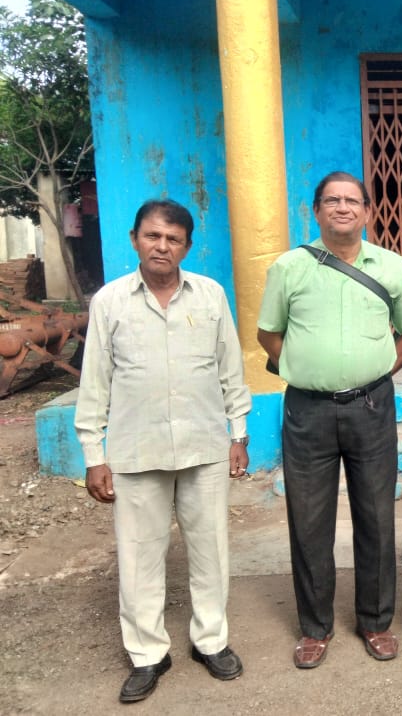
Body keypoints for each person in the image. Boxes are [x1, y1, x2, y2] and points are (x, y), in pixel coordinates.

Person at [75, 199, 252, 703]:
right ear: (135, 239)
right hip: (136, 450)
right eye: (153, 236)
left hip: (204, 447)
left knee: (211, 550)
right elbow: (95, 381)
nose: (162, 246)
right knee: (138, 556)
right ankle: (147, 653)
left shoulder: (210, 296)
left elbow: (230, 370)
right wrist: (94, 454)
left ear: (186, 247)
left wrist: (238, 435)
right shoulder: (110, 302)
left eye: (173, 239)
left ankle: (210, 640)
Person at [257, 171, 402, 669]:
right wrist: (307, 368)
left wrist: (378, 371)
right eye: (332, 200)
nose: (343, 208)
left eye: (352, 200)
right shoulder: (289, 267)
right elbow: (269, 334)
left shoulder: (392, 266)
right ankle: (315, 628)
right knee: (309, 521)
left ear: (367, 211)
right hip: (307, 409)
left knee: (376, 517)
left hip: (371, 407)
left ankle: (376, 621)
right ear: (316, 211)